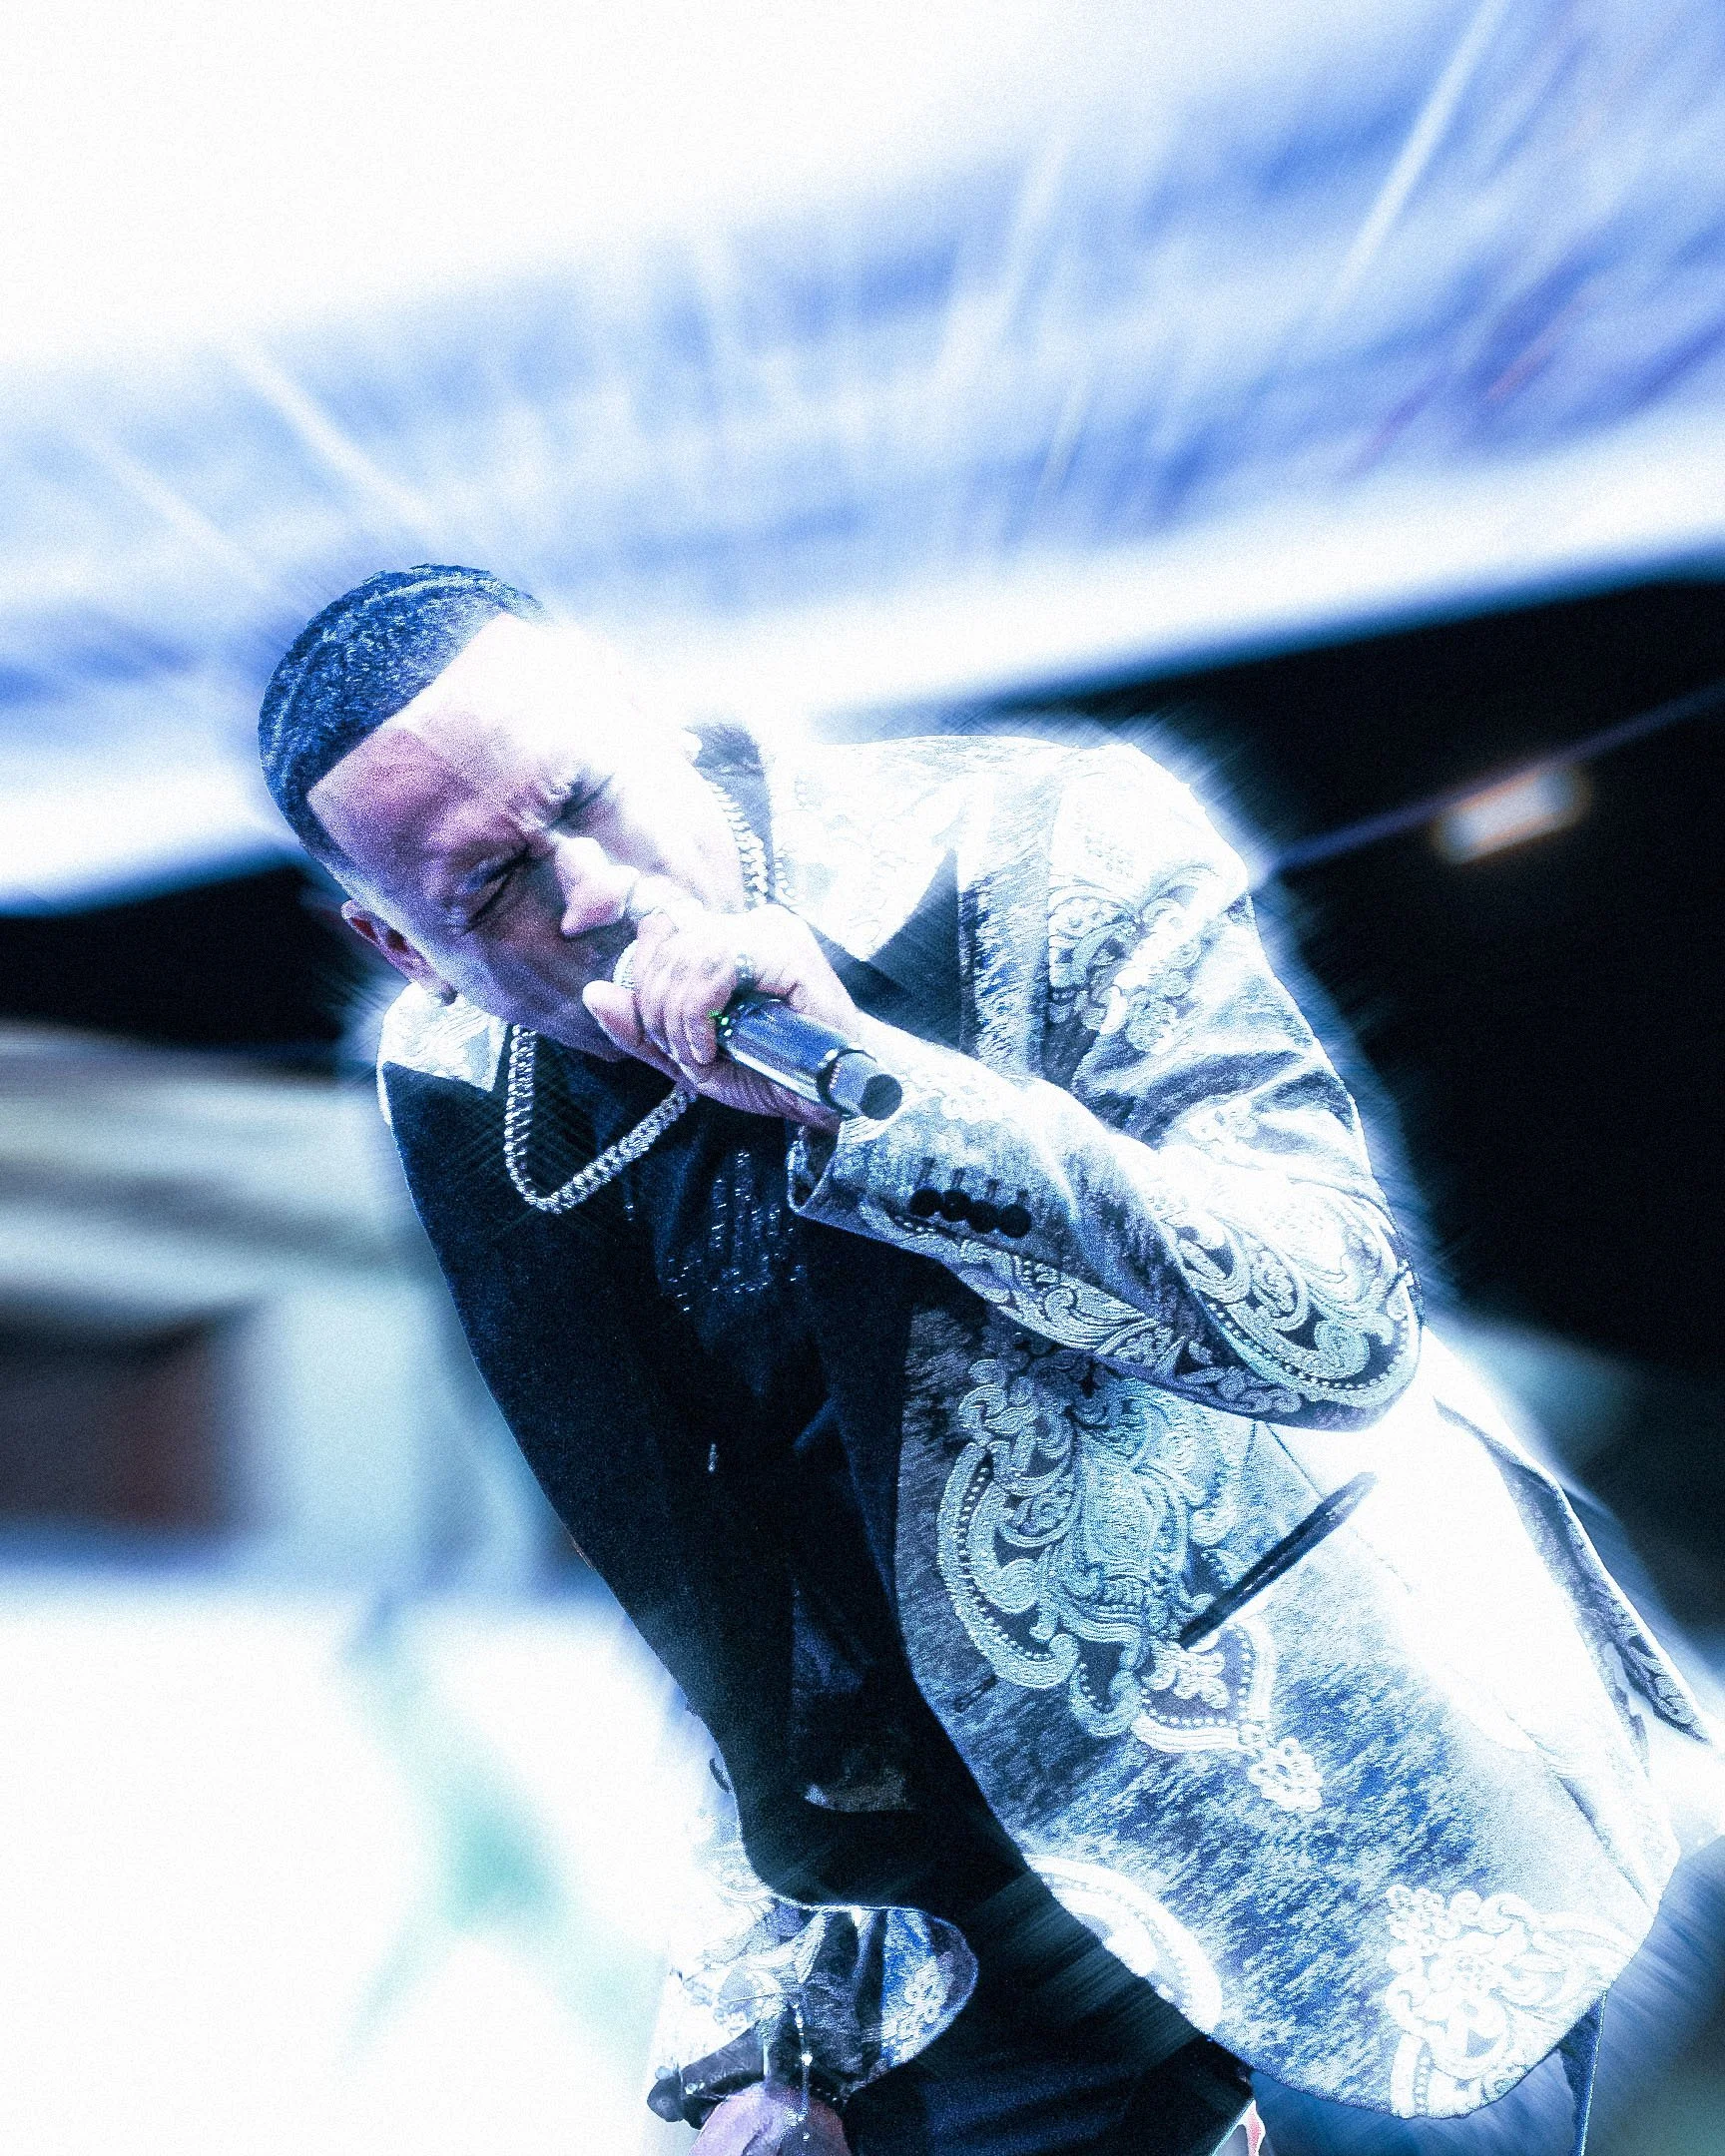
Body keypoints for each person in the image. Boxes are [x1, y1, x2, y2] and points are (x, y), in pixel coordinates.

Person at [258, 565, 1721, 2156]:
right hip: (962, 1950)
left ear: (636, 710)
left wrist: (885, 1099)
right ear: (398, 946)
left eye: (586, 798)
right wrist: (759, 2027)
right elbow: (726, 1596)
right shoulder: (467, 1095)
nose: (593, 892)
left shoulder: (1029, 843)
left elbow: (1342, 1324)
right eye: (490, 890)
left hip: (1355, 1819)